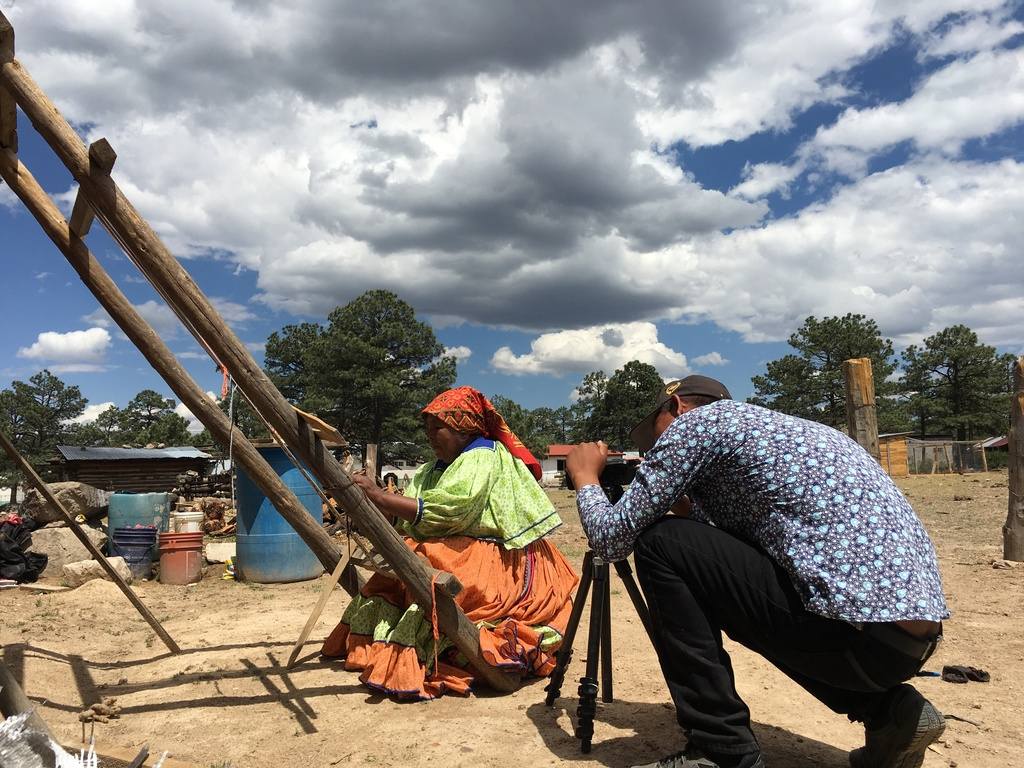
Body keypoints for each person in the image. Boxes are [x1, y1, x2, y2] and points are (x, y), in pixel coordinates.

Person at [566, 375, 948, 768]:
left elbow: (610, 541)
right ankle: (891, 714)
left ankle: (721, 750)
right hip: (899, 645)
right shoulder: (782, 430)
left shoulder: (700, 423)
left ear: (677, 407)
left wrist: (585, 478)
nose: (655, 450)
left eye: (655, 436)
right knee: (747, 584)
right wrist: (688, 509)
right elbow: (743, 561)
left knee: (660, 543)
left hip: (854, 638)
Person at [322, 386, 579, 700]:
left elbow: (451, 509)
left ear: (463, 428)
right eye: (427, 429)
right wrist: (380, 502)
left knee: (421, 561)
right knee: (404, 562)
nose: (430, 436)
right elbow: (412, 513)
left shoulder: (483, 456)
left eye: (437, 428)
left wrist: (380, 496)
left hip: (501, 558)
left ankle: (452, 649)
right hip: (462, 548)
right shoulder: (434, 468)